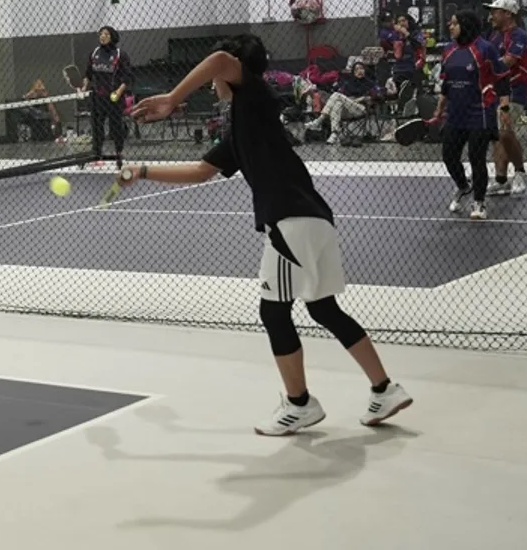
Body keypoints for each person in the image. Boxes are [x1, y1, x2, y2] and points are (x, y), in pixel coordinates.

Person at [120, 34, 412, 436]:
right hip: (312, 218)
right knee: (323, 309)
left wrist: (171, 98)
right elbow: (200, 172)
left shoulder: (252, 96)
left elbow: (219, 59)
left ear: (235, 70)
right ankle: (384, 390)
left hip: (290, 219)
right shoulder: (243, 125)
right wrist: (142, 171)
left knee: (273, 312)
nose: (212, 81)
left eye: (218, 75)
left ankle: (299, 404)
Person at [433, 10, 511, 221]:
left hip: (480, 113)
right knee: (449, 156)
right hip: (455, 114)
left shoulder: (485, 49)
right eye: (450, 23)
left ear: (466, 25)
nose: (450, 26)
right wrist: (439, 109)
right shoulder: (448, 50)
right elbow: (446, 84)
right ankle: (463, 186)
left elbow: (502, 77)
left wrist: (504, 107)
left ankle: (479, 202)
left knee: (477, 158)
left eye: (454, 23)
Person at [483, 0, 527, 197]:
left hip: (515, 89)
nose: (491, 16)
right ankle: (501, 179)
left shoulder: (519, 35)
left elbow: (509, 61)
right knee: (496, 135)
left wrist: (485, 68)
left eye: (495, 11)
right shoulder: (493, 36)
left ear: (508, 14)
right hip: (496, 90)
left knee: (505, 132)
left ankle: (520, 172)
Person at [81, 26, 134, 169]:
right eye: (101, 34)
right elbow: (88, 74)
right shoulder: (94, 53)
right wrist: (84, 87)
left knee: (115, 127)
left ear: (112, 37)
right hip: (97, 97)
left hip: (113, 98)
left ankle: (118, 153)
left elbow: (127, 77)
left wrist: (119, 92)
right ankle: (97, 155)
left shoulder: (120, 54)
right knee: (97, 127)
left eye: (106, 34)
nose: (102, 36)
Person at [303, 61, 376, 144]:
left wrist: (360, 99)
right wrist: (356, 99)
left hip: (360, 109)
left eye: (361, 68)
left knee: (337, 95)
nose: (359, 71)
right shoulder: (349, 83)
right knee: (337, 104)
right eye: (356, 69)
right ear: (353, 72)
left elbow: (371, 97)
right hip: (347, 108)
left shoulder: (370, 83)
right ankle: (334, 134)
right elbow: (344, 97)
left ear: (365, 70)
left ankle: (319, 120)